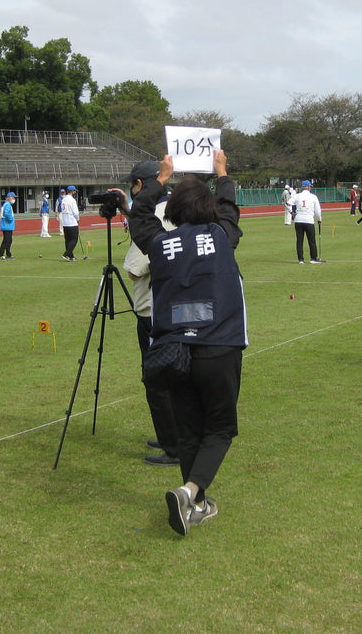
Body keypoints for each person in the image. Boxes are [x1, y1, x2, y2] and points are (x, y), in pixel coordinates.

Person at [129, 150, 246, 536]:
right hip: (218, 346)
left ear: (174, 211)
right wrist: (222, 173)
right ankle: (190, 491)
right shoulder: (221, 236)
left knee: (190, 432)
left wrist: (159, 180)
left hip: (173, 350)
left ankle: (195, 505)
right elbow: (230, 210)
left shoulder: (161, 245)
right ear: (209, 209)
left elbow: (140, 220)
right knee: (220, 430)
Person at [115, 160, 179, 467]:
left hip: (153, 312)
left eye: (134, 185)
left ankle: (173, 444)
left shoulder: (155, 214)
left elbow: (133, 271)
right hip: (175, 307)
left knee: (157, 381)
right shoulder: (178, 209)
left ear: (141, 185)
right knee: (174, 378)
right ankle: (173, 435)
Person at [288, 180, 323, 263]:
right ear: (308, 187)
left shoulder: (297, 196)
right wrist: (319, 219)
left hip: (298, 220)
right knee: (312, 241)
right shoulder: (313, 197)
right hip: (309, 220)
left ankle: (301, 259)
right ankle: (313, 258)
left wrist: (291, 212)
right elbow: (318, 210)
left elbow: (287, 204)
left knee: (299, 240)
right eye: (310, 187)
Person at [60, 185, 80, 261]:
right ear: (72, 191)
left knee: (68, 239)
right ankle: (67, 253)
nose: (75, 192)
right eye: (74, 191)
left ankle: (70, 256)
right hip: (72, 222)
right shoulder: (72, 200)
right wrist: (78, 219)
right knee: (74, 239)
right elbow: (75, 212)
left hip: (65, 222)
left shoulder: (63, 199)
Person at [0, 192, 16, 260]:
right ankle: (1, 255)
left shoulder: (6, 204)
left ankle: (8, 254)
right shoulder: (7, 205)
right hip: (7, 225)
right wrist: (10, 219)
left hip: (7, 226)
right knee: (7, 240)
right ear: (9, 197)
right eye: (13, 197)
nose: (14, 199)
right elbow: (6, 213)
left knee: (8, 240)